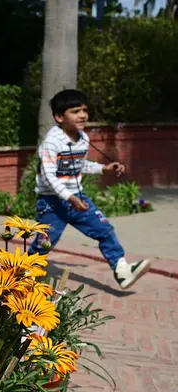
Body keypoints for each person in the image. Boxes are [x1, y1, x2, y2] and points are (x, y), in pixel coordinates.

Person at [29, 89, 150, 289]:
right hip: (52, 202)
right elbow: (50, 177)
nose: (83, 115)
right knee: (45, 243)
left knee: (104, 230)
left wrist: (103, 168)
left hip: (77, 198)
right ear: (59, 117)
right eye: (75, 111)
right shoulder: (52, 142)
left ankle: (122, 271)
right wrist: (69, 198)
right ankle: (24, 273)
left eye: (84, 110)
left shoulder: (83, 138)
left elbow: (79, 165)